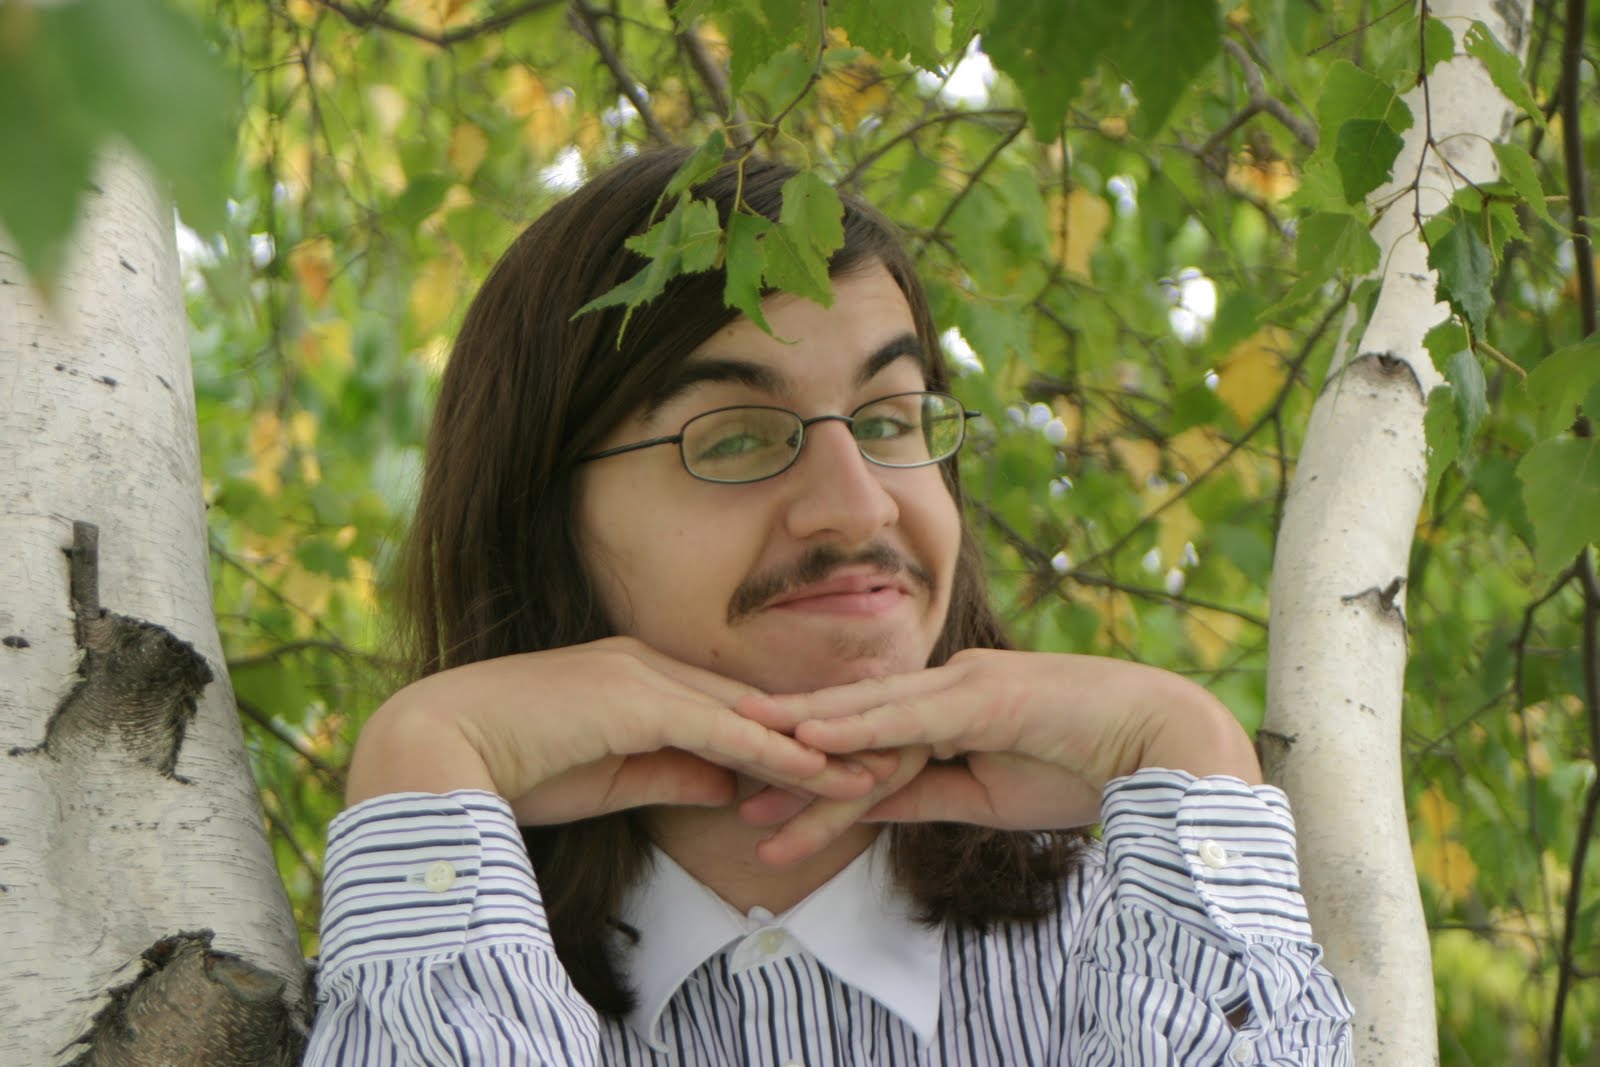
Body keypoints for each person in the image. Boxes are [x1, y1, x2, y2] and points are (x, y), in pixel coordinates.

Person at [303, 148, 1352, 1065]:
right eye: (735, 438)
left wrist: (1187, 745)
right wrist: (426, 755)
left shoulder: (1157, 955)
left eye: (889, 420)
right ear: (542, 520)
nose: (859, 505)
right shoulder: (424, 965)